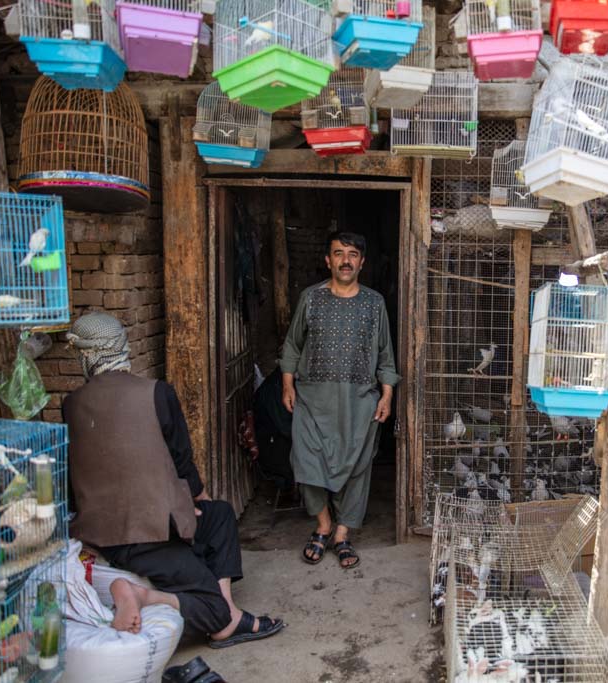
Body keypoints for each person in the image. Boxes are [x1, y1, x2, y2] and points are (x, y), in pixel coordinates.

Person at [62, 312, 285, 648]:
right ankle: (165, 602)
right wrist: (193, 502)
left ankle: (229, 609)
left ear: (85, 355)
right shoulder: (156, 393)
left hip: (103, 529)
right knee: (214, 609)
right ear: (123, 347)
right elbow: (182, 463)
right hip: (146, 535)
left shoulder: (71, 404)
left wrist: (198, 509)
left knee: (220, 515)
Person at [281, 231, 400, 569]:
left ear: (362, 262)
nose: (345, 260)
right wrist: (287, 385)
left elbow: (385, 356)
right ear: (328, 260)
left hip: (359, 401)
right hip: (312, 399)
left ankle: (341, 534)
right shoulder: (311, 298)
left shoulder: (374, 303)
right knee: (305, 463)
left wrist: (387, 394)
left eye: (352, 254)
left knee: (357, 468)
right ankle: (322, 525)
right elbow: (292, 345)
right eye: (338, 253)